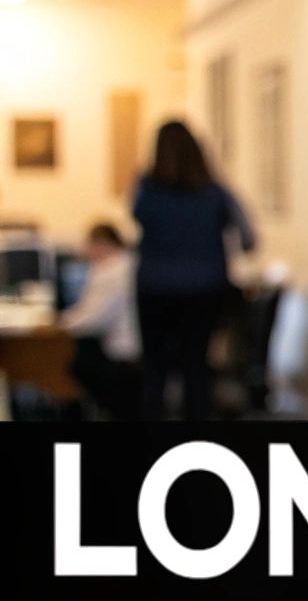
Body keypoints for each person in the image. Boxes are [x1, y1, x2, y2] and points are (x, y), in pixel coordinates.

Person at [133, 120, 255, 421]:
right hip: (204, 289)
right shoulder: (215, 192)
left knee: (155, 370)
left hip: (155, 288)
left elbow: (137, 219)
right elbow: (248, 239)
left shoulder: (147, 189)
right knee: (196, 367)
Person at [59, 222, 140, 419]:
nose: (85, 252)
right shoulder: (132, 263)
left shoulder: (110, 271)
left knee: (70, 364)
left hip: (122, 356)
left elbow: (92, 319)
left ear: (101, 244)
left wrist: (58, 323)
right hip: (142, 350)